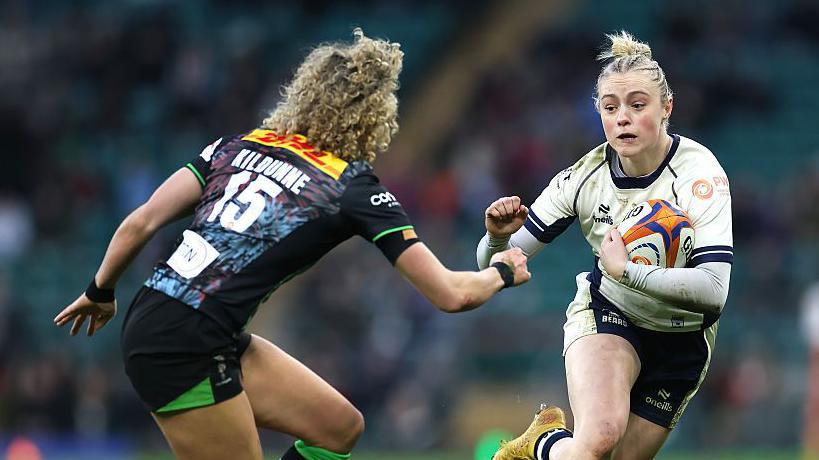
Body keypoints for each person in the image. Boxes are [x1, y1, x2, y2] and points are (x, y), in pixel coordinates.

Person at [54, 28, 531, 460]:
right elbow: (450, 293)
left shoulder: (234, 147)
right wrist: (505, 268)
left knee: (338, 428)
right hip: (185, 343)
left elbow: (140, 222)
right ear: (375, 118)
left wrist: (100, 290)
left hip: (167, 317)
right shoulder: (349, 185)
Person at [479, 31, 733, 460]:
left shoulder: (699, 175)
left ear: (667, 108)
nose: (623, 119)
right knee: (598, 441)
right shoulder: (583, 178)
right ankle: (543, 445)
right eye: (610, 107)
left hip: (682, 341)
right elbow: (491, 269)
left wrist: (628, 270)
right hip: (609, 313)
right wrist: (497, 237)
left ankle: (541, 445)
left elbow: (714, 291)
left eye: (638, 105)